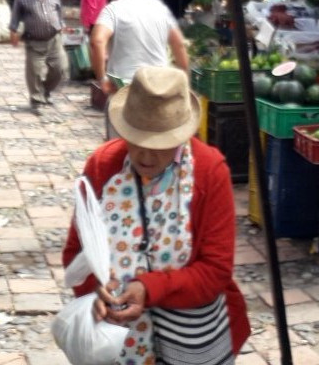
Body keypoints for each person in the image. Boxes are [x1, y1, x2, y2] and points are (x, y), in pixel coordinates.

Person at [63, 66, 249, 365]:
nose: (146, 156)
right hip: (120, 339)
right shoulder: (103, 166)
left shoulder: (209, 170)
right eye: (137, 141)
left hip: (191, 336)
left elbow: (215, 269)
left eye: (160, 145)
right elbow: (76, 253)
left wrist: (148, 288)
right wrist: (94, 293)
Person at [91, 0, 188, 95]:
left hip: (124, 90)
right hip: (157, 89)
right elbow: (179, 45)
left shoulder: (113, 10)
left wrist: (102, 79)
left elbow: (97, 41)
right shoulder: (161, 9)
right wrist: (183, 82)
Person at [8, 0, 66, 109]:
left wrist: (61, 24)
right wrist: (13, 31)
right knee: (34, 72)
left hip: (54, 38)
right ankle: (36, 99)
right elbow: (16, 14)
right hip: (34, 41)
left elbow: (58, 9)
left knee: (60, 68)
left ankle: (46, 91)